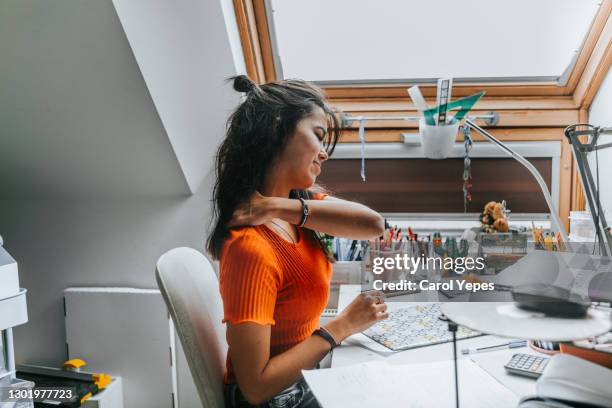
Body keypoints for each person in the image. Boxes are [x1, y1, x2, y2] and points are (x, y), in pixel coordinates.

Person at [207, 75, 388, 408]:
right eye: (318, 136)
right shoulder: (251, 248)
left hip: (302, 382)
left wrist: (276, 206)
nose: (324, 154)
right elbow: (256, 387)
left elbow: (374, 224)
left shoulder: (298, 209)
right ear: (277, 128)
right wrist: (343, 326)